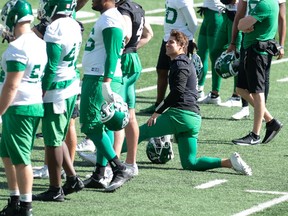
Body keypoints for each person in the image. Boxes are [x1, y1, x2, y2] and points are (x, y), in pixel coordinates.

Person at [127, 29, 252, 176]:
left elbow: (177, 92)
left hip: (181, 115)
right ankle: (228, 162)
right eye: (167, 41)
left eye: (171, 42)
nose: (167, 44)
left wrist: (157, 111)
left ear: (181, 46)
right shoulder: (182, 62)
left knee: (139, 132)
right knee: (190, 163)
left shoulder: (179, 64)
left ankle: (108, 156)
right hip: (193, 119)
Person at [32, 0, 84, 202]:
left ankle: (55, 189)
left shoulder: (55, 27)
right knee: (57, 136)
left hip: (57, 89)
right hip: (70, 84)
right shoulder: (72, 23)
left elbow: (51, 66)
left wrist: (41, 92)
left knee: (52, 140)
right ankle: (72, 178)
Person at [80, 0, 133, 192]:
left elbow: (112, 53)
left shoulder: (111, 18)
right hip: (102, 75)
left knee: (90, 124)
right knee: (104, 123)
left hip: (100, 77)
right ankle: (99, 174)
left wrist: (106, 81)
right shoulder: (112, 17)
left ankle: (119, 168)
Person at [0, 0, 47, 215]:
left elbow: (12, 85)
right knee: (8, 155)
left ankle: (25, 207)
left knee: (20, 159)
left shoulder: (17, 48)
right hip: (29, 104)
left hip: (19, 107)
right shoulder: (38, 42)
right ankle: (14, 199)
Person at [232, 0, 283, 145]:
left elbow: (241, 24)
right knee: (241, 89)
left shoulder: (265, 4)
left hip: (257, 53)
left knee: (257, 92)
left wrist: (244, 25)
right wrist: (244, 25)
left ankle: (255, 135)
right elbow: (242, 24)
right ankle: (271, 121)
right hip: (250, 50)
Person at [141, 0, 198, 113]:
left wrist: (188, 38)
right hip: (168, 38)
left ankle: (177, 105)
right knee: (161, 69)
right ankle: (158, 104)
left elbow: (193, 23)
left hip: (180, 41)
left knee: (178, 73)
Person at [198, 0, 242, 107]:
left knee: (237, 54)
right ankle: (215, 94)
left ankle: (237, 96)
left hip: (237, 14)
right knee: (215, 52)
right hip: (227, 13)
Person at [195, 0, 225, 103]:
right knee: (201, 53)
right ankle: (199, 89)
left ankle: (215, 93)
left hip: (217, 14)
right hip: (208, 14)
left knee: (214, 55)